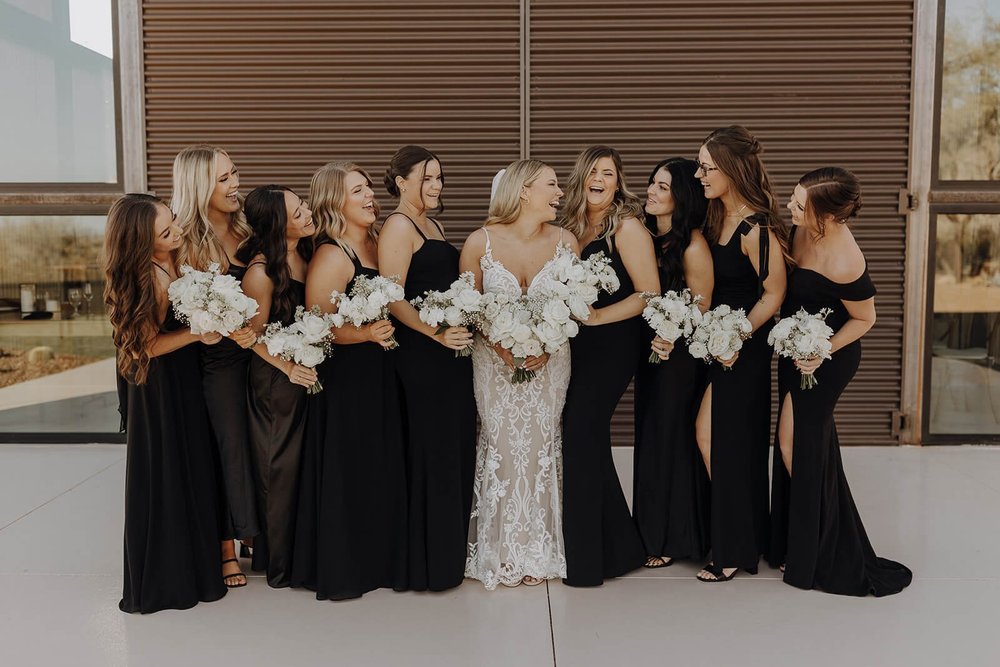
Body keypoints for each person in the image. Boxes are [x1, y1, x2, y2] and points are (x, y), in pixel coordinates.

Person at [767, 167, 912, 596]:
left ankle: (824, 550)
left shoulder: (845, 256)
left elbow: (866, 318)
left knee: (797, 445)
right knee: (799, 445)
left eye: (799, 203)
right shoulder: (801, 231)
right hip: (795, 351)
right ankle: (798, 543)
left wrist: (820, 350)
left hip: (826, 360)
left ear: (827, 215)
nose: (790, 207)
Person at [459, 160, 577, 589]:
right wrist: (501, 348)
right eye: (552, 184)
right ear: (524, 191)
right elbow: (467, 307)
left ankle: (541, 551)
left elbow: (573, 304)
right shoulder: (480, 242)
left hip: (552, 362)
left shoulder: (567, 241)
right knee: (504, 447)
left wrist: (548, 345)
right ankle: (502, 552)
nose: (560, 192)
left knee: (543, 446)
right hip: (493, 364)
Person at [291, 162, 407, 600]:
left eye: (367, 190)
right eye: (357, 191)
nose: (368, 197)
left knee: (381, 463)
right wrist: (364, 333)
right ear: (334, 201)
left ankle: (382, 555)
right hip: (348, 379)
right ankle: (348, 562)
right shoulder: (332, 253)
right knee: (351, 466)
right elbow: (317, 323)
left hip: (384, 373)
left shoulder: (379, 243)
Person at [107, 193, 227, 613]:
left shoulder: (170, 261)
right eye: (165, 230)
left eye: (172, 220)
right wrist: (198, 332)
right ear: (142, 241)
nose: (176, 230)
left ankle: (193, 565)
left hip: (183, 380)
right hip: (160, 389)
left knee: (189, 469)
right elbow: (142, 348)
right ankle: (167, 578)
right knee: (168, 472)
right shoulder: (148, 277)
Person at [558, 146, 659, 587]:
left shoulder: (628, 227)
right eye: (594, 172)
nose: (600, 179)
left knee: (580, 428)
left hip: (613, 344)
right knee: (585, 437)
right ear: (581, 177)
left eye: (610, 174)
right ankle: (616, 546)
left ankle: (589, 560)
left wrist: (599, 316)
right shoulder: (567, 227)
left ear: (618, 184)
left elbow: (649, 292)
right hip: (572, 345)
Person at [379, 146, 476, 592]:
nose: (436, 186)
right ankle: (428, 563)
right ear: (401, 182)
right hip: (422, 357)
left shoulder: (432, 224)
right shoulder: (398, 227)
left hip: (452, 356)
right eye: (427, 178)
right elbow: (393, 298)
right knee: (432, 452)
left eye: (440, 178)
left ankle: (449, 554)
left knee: (454, 448)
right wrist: (435, 334)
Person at [693, 126, 788, 583]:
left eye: (707, 168)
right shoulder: (716, 217)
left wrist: (736, 339)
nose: (700, 174)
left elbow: (773, 294)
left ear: (731, 170)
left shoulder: (758, 226)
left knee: (715, 438)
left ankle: (733, 548)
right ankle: (744, 536)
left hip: (741, 349)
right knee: (727, 443)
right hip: (716, 344)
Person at [172, 145, 259, 586]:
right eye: (223, 179)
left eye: (234, 174)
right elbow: (185, 307)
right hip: (217, 361)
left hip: (262, 353)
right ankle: (225, 545)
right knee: (228, 447)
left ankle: (260, 535)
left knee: (264, 442)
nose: (234, 184)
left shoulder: (249, 229)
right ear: (199, 186)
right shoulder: (184, 239)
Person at [633, 157, 713, 569]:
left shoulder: (694, 245)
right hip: (649, 354)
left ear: (681, 197)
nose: (651, 190)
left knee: (672, 440)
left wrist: (672, 335)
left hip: (680, 359)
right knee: (650, 437)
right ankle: (649, 531)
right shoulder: (646, 237)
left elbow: (703, 308)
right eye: (652, 183)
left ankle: (673, 537)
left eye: (663, 187)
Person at [238, 185, 316, 588]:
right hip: (277, 380)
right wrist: (289, 367)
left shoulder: (307, 253)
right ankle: (278, 561)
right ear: (276, 224)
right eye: (296, 210)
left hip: (307, 371)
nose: (305, 211)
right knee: (280, 468)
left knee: (305, 465)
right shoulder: (260, 272)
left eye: (302, 203)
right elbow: (251, 336)